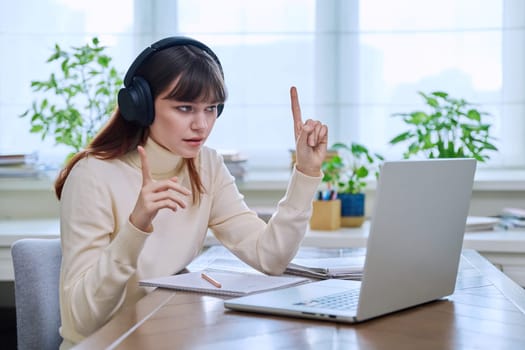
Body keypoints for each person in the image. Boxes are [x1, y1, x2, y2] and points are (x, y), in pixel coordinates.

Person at [55, 36, 328, 348]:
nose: (202, 125)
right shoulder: (93, 176)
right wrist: (136, 226)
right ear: (141, 105)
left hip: (165, 337)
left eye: (211, 108)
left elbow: (270, 257)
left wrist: (305, 173)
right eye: (184, 108)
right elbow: (81, 321)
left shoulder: (205, 165)